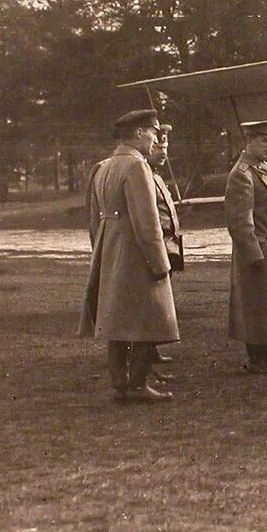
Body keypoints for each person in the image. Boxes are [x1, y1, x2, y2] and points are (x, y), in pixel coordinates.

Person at [78, 109, 180, 403]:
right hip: (136, 253)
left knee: (117, 320)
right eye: (153, 132)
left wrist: (102, 249)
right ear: (139, 133)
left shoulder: (106, 166)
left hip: (111, 249)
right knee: (149, 317)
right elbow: (147, 224)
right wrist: (160, 264)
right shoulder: (137, 167)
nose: (156, 138)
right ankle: (138, 385)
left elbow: (95, 218)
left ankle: (120, 383)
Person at [225, 119, 267, 374]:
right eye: (264, 141)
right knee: (255, 304)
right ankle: (255, 358)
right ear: (249, 141)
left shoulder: (263, 169)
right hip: (256, 250)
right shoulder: (242, 174)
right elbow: (239, 221)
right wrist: (253, 254)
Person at [145, 124, 184, 374]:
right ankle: (146, 352)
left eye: (166, 147)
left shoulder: (156, 175)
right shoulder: (144, 174)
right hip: (154, 246)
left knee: (159, 302)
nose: (163, 152)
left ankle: (151, 349)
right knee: (150, 301)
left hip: (167, 245)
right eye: (158, 146)